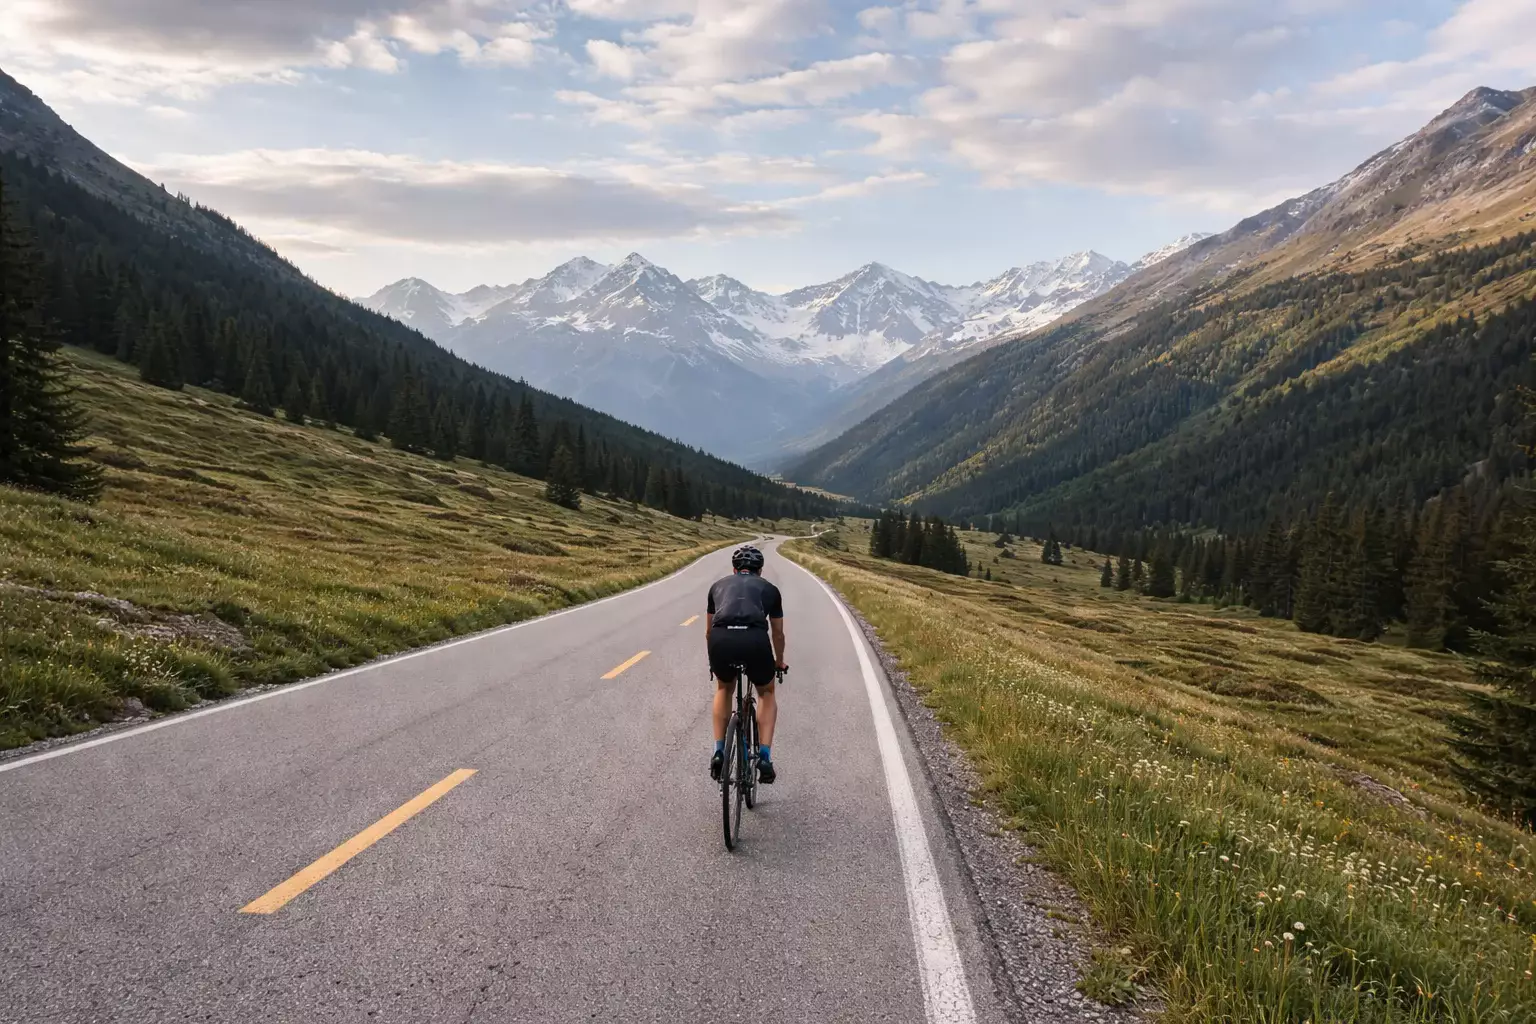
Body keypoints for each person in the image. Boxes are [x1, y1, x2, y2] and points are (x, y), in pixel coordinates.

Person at [706, 544, 787, 784]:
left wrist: (713, 661)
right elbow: (778, 634)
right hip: (754, 639)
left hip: (721, 640)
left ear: (734, 569)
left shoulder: (717, 586)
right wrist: (779, 662)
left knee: (724, 687)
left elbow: (708, 631)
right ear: (760, 571)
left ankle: (719, 751)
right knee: (766, 692)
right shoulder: (770, 589)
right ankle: (765, 757)